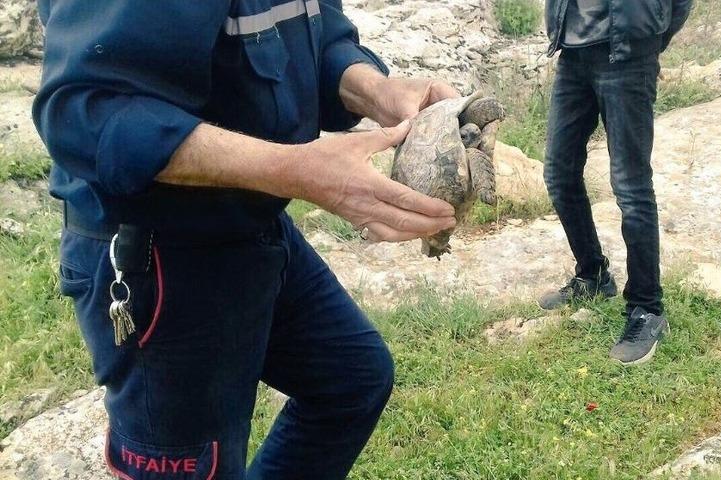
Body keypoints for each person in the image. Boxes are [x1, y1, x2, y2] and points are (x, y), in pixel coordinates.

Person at [33, 0, 459, 478]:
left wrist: (376, 90)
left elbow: (315, 39)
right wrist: (296, 171)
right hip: (159, 256)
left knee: (350, 380)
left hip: (251, 221)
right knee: (199, 466)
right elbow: (87, 115)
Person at [539, 0, 692, 365]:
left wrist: (649, 39)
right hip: (573, 54)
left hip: (629, 54)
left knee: (631, 186)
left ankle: (647, 309)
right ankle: (592, 275)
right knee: (559, 173)